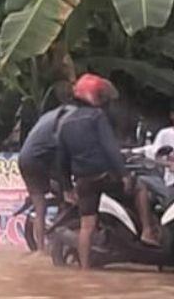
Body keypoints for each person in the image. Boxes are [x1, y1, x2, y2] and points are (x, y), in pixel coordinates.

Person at [56, 74, 159, 268]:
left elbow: (62, 159)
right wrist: (125, 175)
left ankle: (85, 270)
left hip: (83, 181)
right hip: (104, 176)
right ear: (94, 96)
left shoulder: (65, 123)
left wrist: (67, 187)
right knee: (141, 188)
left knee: (87, 226)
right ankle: (147, 231)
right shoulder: (96, 116)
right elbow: (110, 148)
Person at [17, 85, 77, 253]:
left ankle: (40, 251)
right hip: (40, 161)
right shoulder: (71, 114)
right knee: (70, 193)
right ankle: (63, 229)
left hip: (25, 159)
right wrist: (67, 187)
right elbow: (62, 150)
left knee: (40, 208)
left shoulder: (50, 115)